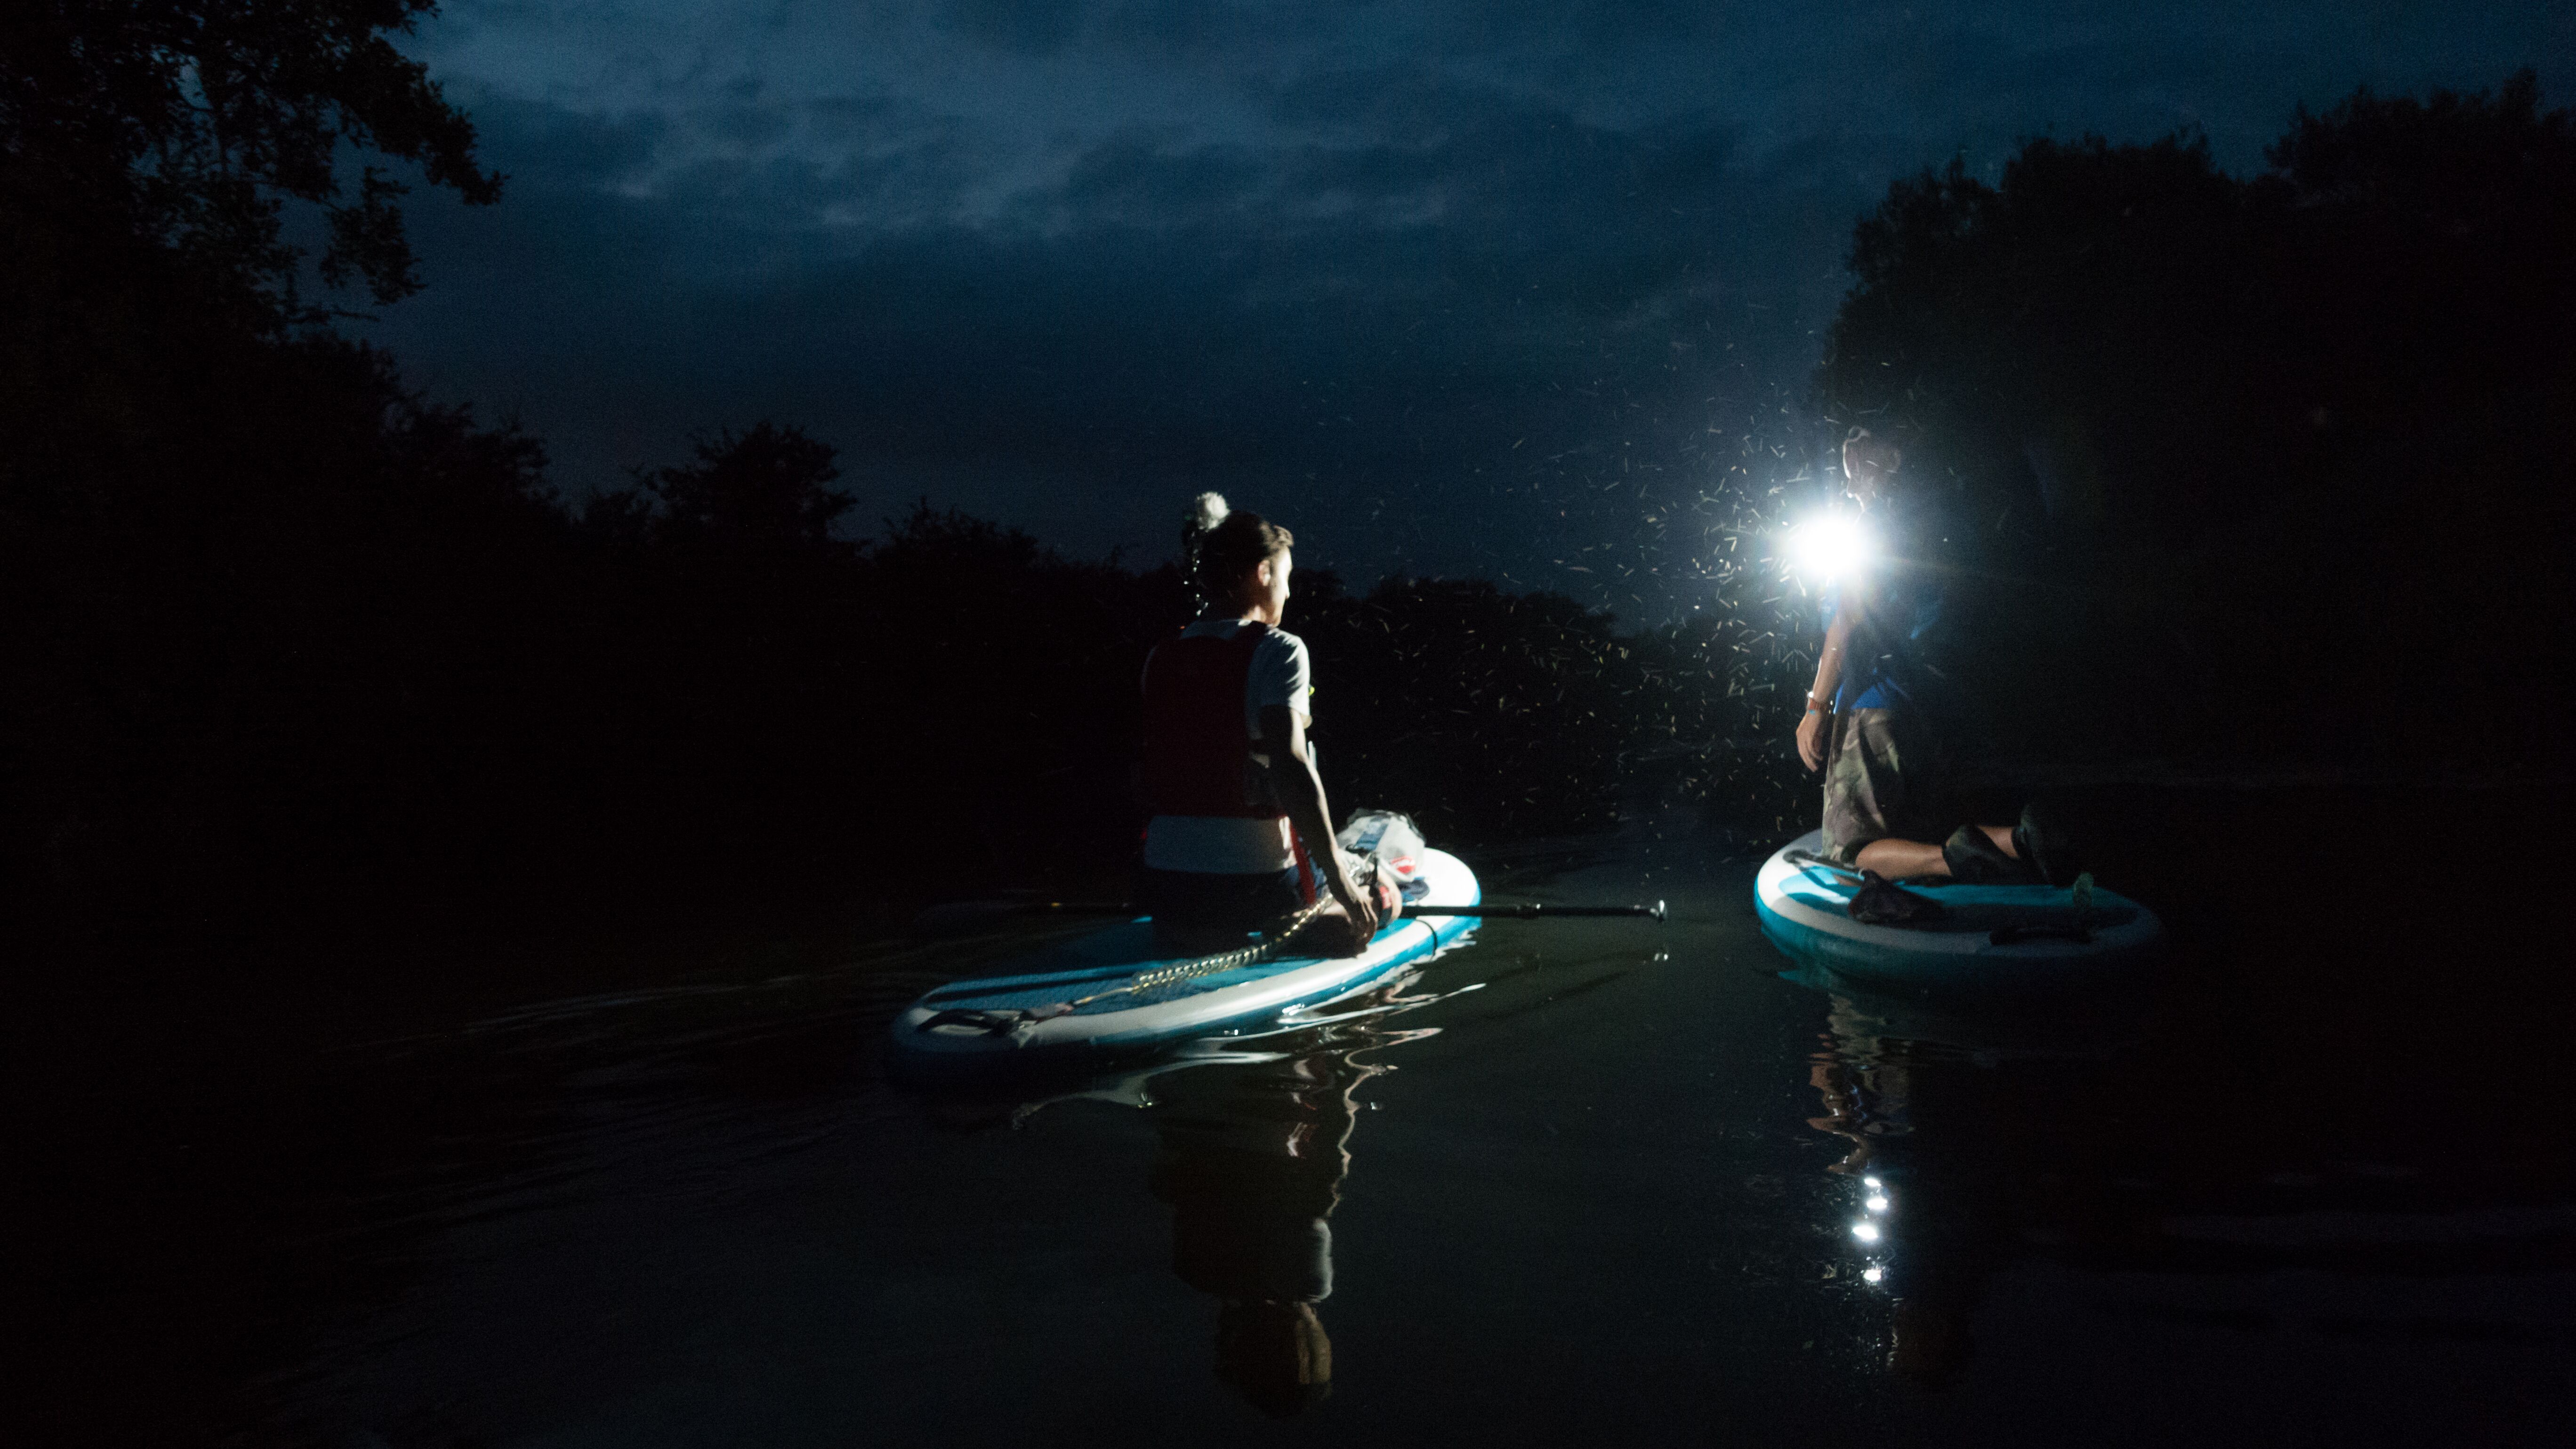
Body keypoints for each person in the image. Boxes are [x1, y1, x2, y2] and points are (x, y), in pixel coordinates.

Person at [1795, 429, 2072, 884]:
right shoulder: (1925, 530)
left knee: (1850, 853)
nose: (1847, 486)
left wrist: (1816, 707)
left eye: (1853, 472)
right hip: (1922, 708)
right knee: (1919, 831)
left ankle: (1954, 861)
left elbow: (1846, 621)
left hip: (1871, 708)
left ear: (1878, 467)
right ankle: (2025, 839)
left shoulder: (1871, 531)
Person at [1137, 493, 1388, 955]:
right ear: (1263, 573)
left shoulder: (1159, 656)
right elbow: (1291, 766)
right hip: (1257, 883)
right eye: (1286, 579)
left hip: (1167, 883)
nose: (1288, 594)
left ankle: (1194, 927)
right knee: (1381, 896)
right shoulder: (1280, 650)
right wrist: (1340, 879)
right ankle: (1315, 914)